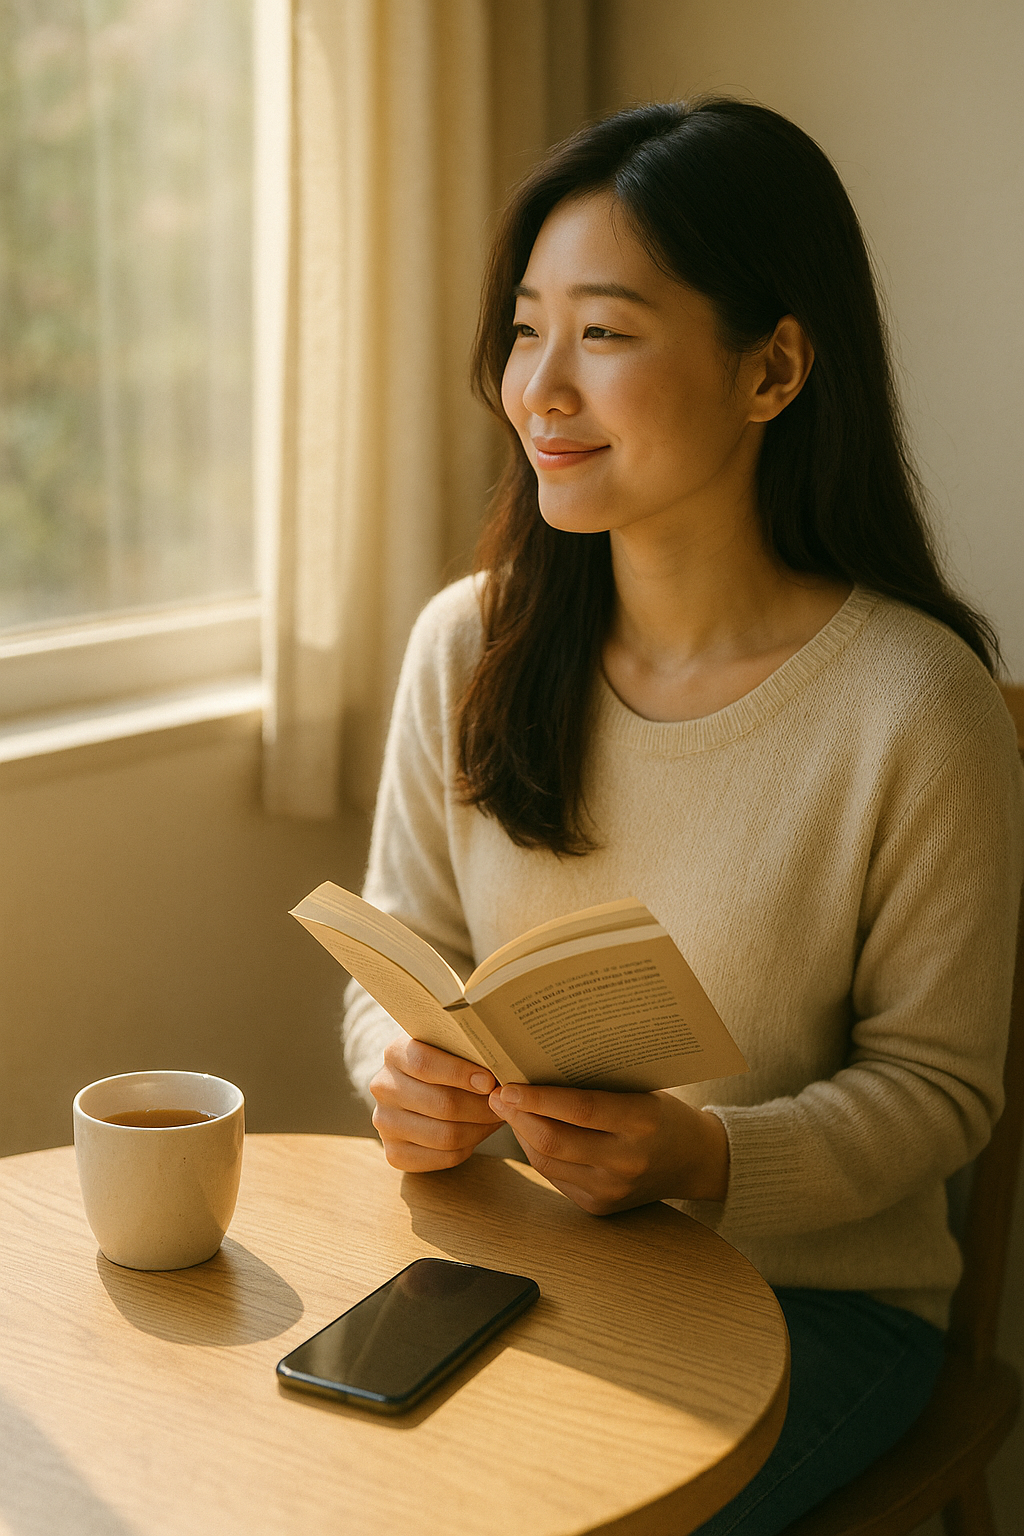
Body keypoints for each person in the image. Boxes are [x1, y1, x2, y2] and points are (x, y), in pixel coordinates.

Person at [342, 99, 1024, 1533]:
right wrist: (400, 1075)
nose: (539, 389)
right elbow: (397, 951)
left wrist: (709, 1161)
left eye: (603, 331)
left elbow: (941, 1093)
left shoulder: (917, 706)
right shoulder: (469, 646)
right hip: (517, 1260)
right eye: (526, 330)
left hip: (816, 1306)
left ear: (772, 368)